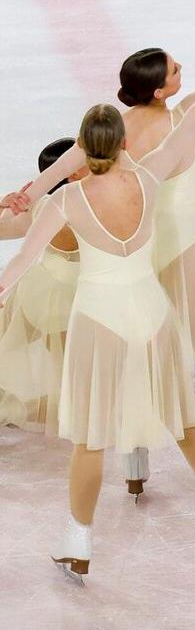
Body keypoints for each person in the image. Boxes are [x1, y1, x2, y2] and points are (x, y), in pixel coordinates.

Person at [0, 65, 195, 580]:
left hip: (101, 320)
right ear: (121, 142)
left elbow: (21, 261)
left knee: (91, 439)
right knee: (184, 421)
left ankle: (78, 540)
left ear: (82, 148)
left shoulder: (67, 200)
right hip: (152, 314)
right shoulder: (148, 174)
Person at [0, 140, 82, 434]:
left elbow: (3, 230)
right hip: (75, 301)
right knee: (71, 383)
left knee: (6, 341)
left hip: (37, 293)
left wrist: (5, 205)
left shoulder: (44, 206)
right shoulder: (96, 202)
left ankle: (7, 406)